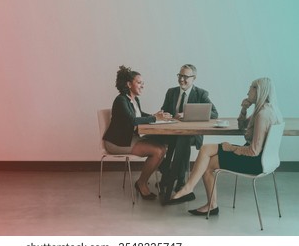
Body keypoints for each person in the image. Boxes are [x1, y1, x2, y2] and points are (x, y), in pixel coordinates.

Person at [168, 77, 283, 216]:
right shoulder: (266, 110)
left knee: (209, 164)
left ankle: (208, 202)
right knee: (205, 149)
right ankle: (189, 188)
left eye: (251, 88)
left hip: (255, 162)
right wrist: (244, 108)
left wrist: (231, 147)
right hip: (265, 159)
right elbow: (242, 127)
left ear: (259, 91)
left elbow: (253, 151)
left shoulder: (263, 115)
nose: (247, 92)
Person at [103, 65, 171, 200]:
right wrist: (154, 118)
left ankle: (148, 180)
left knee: (163, 147)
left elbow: (139, 115)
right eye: (139, 83)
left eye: (142, 83)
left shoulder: (134, 99)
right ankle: (141, 183)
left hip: (129, 138)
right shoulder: (121, 100)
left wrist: (155, 115)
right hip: (117, 142)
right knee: (157, 151)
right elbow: (133, 120)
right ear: (129, 84)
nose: (142, 86)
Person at [159, 64, 218, 204]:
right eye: (180, 76)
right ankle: (172, 177)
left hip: (191, 135)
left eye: (185, 77)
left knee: (182, 141)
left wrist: (187, 114)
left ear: (194, 78)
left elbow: (214, 113)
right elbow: (164, 110)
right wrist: (165, 114)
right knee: (173, 141)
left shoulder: (201, 94)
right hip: (172, 132)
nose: (181, 80)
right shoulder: (171, 92)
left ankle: (175, 179)